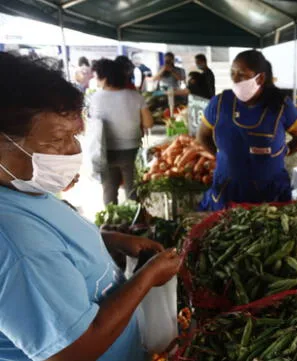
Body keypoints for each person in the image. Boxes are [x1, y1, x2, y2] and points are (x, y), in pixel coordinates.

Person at [0, 52, 181, 361]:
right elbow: (71, 351)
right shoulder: (16, 241)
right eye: (58, 139)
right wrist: (147, 277)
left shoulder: (23, 188)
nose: (73, 150)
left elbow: (55, 247)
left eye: (74, 135)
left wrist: (111, 240)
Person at [197, 50, 297, 211]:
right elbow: (202, 136)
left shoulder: (281, 105)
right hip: (228, 190)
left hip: (270, 192)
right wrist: (222, 157)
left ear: (261, 78)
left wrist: (284, 152)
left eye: (242, 75)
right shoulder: (220, 103)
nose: (235, 80)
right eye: (233, 74)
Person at [89, 59, 154, 205]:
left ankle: (111, 223)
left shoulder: (95, 98)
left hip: (106, 151)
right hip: (132, 151)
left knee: (109, 192)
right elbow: (149, 123)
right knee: (133, 192)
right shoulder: (135, 96)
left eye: (97, 77)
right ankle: (136, 223)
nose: (97, 81)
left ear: (105, 78)